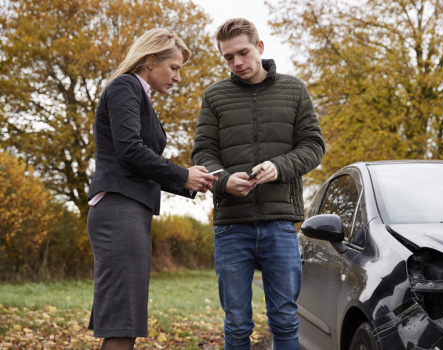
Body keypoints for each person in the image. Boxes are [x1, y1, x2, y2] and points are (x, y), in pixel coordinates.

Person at [192, 18, 325, 350]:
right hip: (231, 225)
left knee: (284, 320)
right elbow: (203, 152)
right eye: (228, 57)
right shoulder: (214, 96)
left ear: (260, 48)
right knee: (236, 325)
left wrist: (279, 167)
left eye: (243, 52)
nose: (237, 62)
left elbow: (313, 146)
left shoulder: (294, 90)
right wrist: (223, 181)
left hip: (279, 224)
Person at [87, 28, 217, 350]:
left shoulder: (139, 95)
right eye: (173, 68)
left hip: (131, 210)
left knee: (125, 318)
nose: (177, 78)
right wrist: (182, 174)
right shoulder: (125, 86)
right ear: (149, 60)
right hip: (119, 209)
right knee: (122, 320)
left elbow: (141, 161)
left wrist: (191, 182)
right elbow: (130, 150)